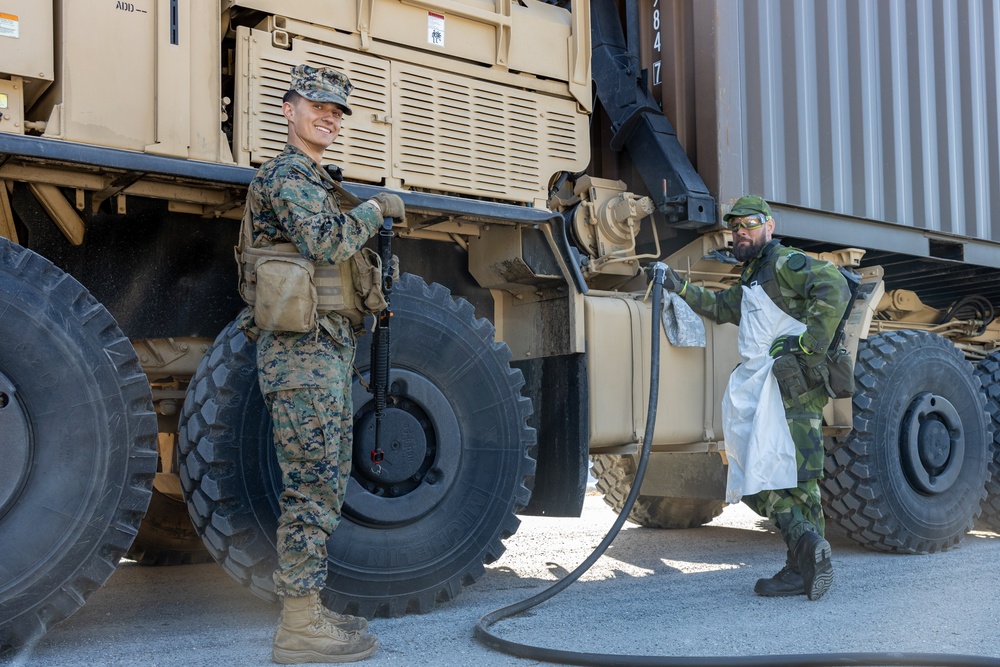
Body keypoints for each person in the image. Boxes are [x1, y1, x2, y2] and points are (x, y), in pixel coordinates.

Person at [237, 64, 404, 663]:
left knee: (326, 483)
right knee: (311, 485)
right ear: (289, 109)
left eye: (338, 111)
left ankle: (308, 609)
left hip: (323, 350)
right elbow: (327, 243)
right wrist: (375, 210)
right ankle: (298, 628)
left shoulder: (316, 179)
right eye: (317, 106)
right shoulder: (287, 175)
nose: (329, 116)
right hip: (301, 355)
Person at [663, 195, 850, 601]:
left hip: (788, 388)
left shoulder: (783, 263)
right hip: (770, 387)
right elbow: (719, 306)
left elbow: (832, 284)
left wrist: (809, 343)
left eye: (749, 223)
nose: (740, 232)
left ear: (770, 225)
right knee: (788, 479)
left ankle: (803, 551)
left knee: (771, 476)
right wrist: (678, 286)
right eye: (734, 227)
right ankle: (805, 558)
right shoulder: (751, 278)